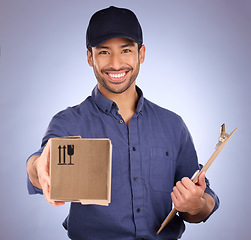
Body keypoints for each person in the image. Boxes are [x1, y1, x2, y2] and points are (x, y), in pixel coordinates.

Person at [26, 6, 219, 240]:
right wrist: (38, 167)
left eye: (126, 50)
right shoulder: (68, 123)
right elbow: (40, 166)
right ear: (90, 57)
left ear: (141, 54)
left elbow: (201, 201)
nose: (116, 64)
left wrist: (196, 204)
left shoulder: (173, 125)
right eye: (104, 52)